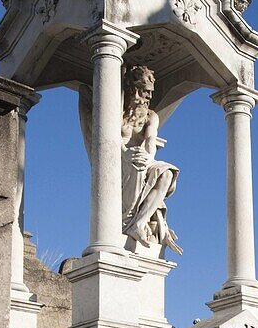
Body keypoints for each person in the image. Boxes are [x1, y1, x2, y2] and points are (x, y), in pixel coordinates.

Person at [78, 64, 182, 255]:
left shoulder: (151, 116)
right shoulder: (117, 113)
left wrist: (147, 158)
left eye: (150, 92)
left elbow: (150, 141)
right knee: (137, 167)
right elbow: (107, 136)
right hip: (116, 161)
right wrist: (125, 152)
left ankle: (139, 224)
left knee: (167, 172)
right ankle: (129, 223)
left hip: (140, 160)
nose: (149, 96)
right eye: (144, 91)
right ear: (133, 89)